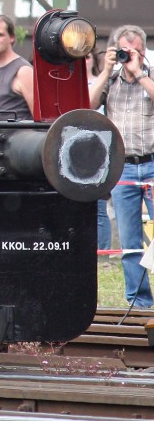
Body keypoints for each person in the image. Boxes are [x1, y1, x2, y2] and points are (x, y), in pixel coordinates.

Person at [88, 24, 154, 308]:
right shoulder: (111, 81)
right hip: (123, 168)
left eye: (135, 50)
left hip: (152, 162)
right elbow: (87, 105)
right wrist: (105, 70)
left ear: (143, 49)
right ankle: (138, 302)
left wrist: (139, 73)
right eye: (125, 51)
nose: (131, 56)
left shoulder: (149, 76)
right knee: (130, 243)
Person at [0, 14, 35, 121]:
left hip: (17, 135)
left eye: (0, 35)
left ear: (11, 38)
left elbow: (39, 118)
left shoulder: (23, 71)